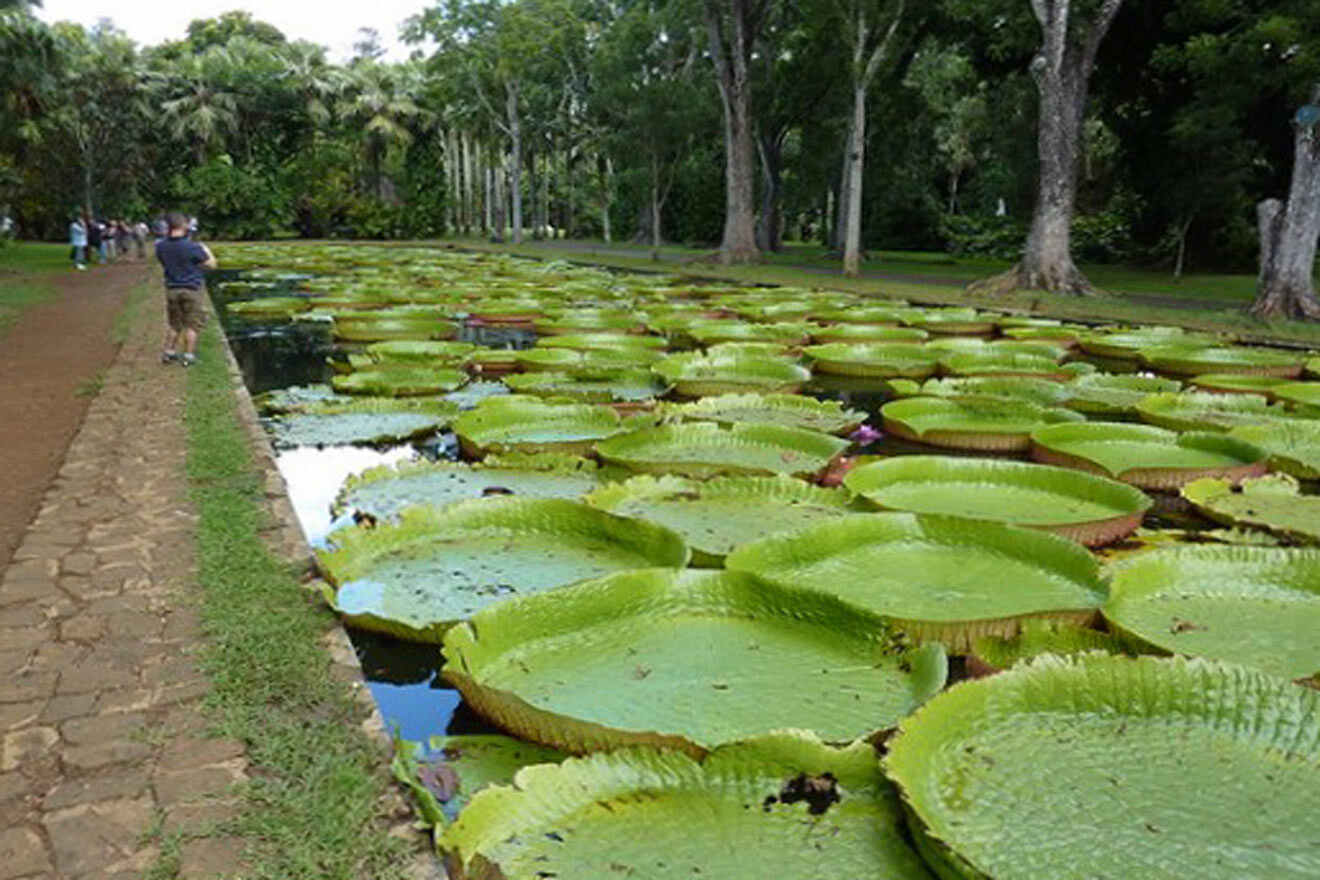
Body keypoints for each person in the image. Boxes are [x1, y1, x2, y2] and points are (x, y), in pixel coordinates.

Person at [156, 211, 217, 367]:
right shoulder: (193, 246)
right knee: (192, 325)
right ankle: (188, 356)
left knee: (174, 324)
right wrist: (206, 250)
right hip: (191, 289)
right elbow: (212, 265)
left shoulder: (161, 246)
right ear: (184, 225)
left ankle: (168, 353)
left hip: (172, 289)